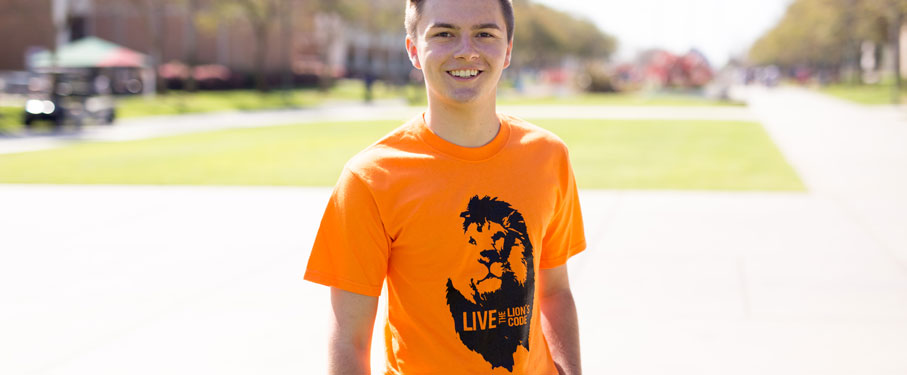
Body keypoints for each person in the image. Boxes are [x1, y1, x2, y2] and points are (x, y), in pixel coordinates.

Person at [304, 0, 586, 373]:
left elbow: (554, 292)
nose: (466, 50)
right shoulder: (370, 178)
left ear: (508, 50)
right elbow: (349, 340)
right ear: (414, 50)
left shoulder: (548, 157)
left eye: (485, 34)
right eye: (444, 34)